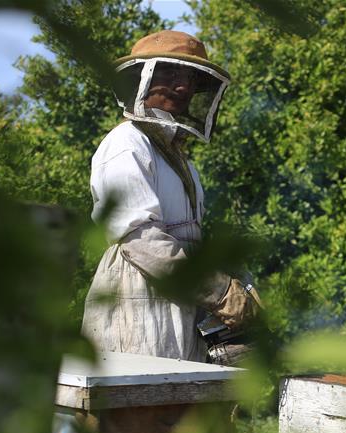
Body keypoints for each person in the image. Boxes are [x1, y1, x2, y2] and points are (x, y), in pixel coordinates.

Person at [82, 30, 259, 362]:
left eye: (191, 77)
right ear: (141, 79)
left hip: (182, 297)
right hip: (138, 295)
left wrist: (236, 280)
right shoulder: (126, 143)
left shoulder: (179, 158)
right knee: (144, 401)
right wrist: (220, 292)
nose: (184, 86)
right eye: (171, 73)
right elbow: (140, 239)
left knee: (184, 403)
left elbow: (189, 237)